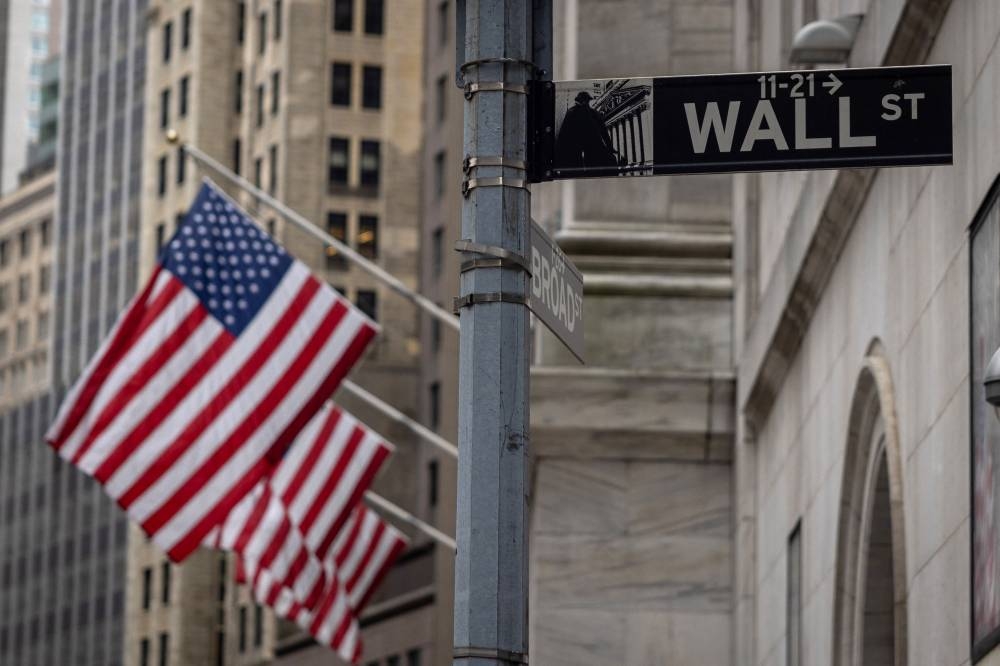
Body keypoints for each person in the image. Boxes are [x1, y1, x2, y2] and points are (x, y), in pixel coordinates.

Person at [554, 91, 619, 170]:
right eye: (585, 100)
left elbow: (563, 133)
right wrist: (610, 147)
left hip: (586, 149)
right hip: (585, 148)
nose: (586, 102)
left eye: (586, 101)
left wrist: (610, 147)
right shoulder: (591, 113)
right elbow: (604, 132)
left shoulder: (575, 112)